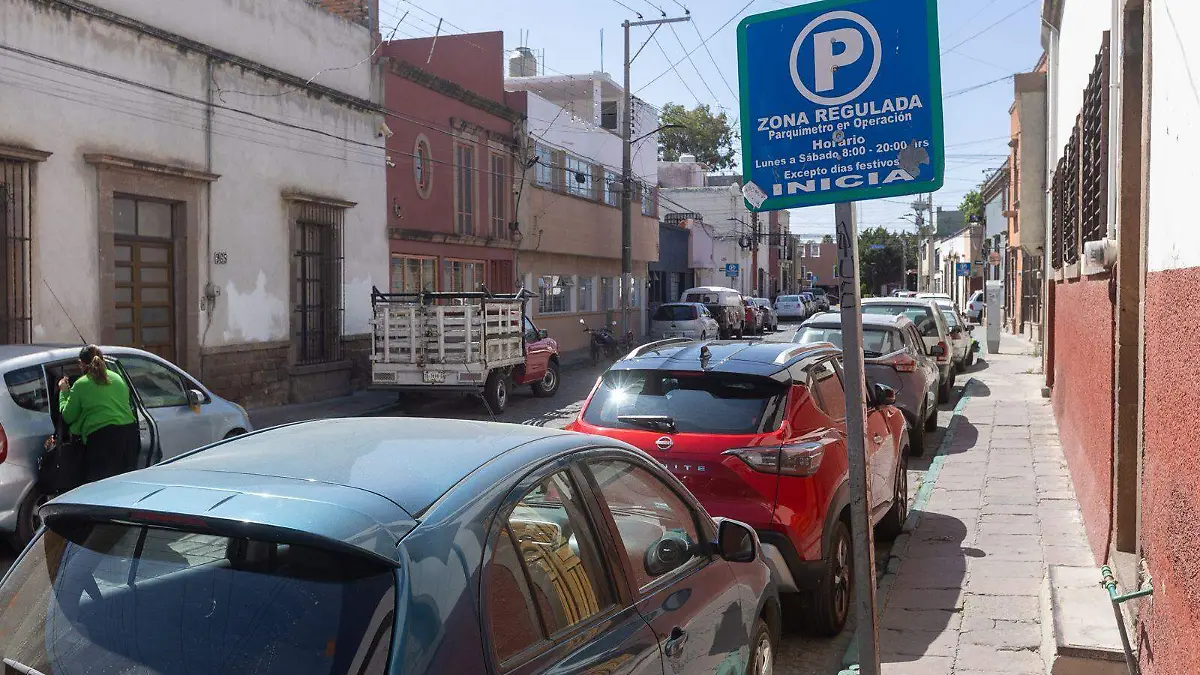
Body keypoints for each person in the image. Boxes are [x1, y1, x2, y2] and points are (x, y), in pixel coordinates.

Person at [57, 345, 140, 484]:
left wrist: (64, 392)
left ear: (81, 364)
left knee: (101, 487)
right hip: (129, 436)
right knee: (123, 485)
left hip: (103, 438)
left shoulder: (81, 384)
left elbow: (68, 416)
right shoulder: (117, 378)